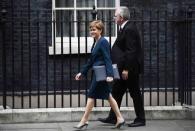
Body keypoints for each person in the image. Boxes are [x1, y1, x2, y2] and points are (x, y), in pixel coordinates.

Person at [98, 6, 146, 127]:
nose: (114, 18)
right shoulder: (124, 28)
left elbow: (131, 51)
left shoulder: (129, 29)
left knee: (135, 93)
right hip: (124, 68)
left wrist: (126, 69)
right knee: (117, 91)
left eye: (115, 16)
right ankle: (113, 117)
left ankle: (141, 119)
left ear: (121, 17)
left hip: (130, 69)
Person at [74, 20, 125, 130]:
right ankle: (120, 118)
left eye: (94, 29)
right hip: (98, 74)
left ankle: (84, 120)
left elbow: (108, 59)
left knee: (91, 95)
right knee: (109, 96)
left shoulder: (103, 42)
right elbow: (91, 61)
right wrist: (82, 72)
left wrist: (110, 74)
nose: (92, 31)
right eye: (91, 29)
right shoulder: (95, 42)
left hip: (101, 75)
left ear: (100, 30)